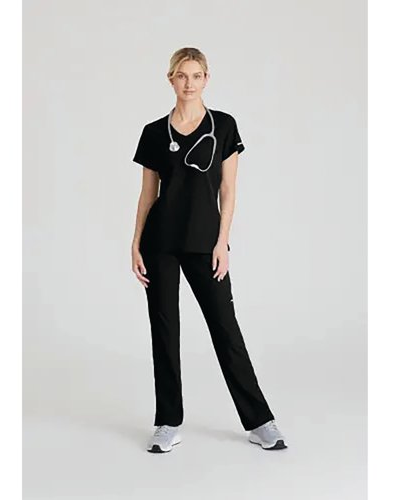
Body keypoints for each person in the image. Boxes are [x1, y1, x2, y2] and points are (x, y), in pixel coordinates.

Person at [131, 47, 287, 453]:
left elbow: (229, 190)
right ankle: (168, 422)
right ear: (171, 79)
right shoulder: (153, 132)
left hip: (205, 244)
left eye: (196, 75)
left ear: (206, 79)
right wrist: (135, 243)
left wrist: (222, 242)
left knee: (225, 329)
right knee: (165, 331)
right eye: (182, 75)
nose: (189, 83)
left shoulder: (224, 126)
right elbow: (148, 195)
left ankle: (260, 421)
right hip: (160, 244)